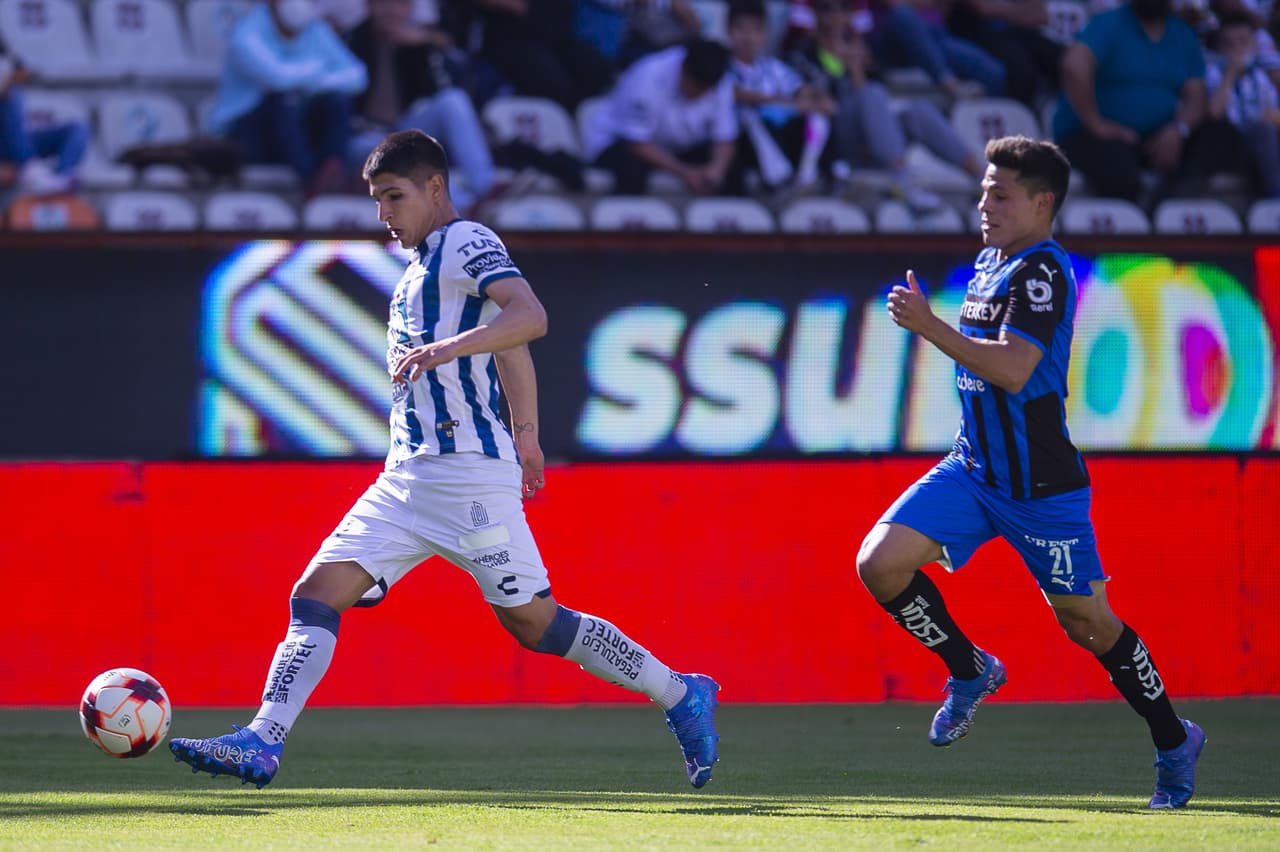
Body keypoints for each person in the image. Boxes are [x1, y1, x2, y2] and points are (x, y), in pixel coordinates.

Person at [169, 129, 721, 792]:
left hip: (465, 476)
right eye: (376, 200)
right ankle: (262, 741)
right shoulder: (417, 272)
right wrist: (528, 434)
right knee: (314, 595)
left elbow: (529, 317)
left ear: (435, 187)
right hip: (406, 476)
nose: (384, 214)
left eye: (394, 196)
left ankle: (680, 692)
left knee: (536, 624)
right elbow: (510, 346)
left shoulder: (466, 240)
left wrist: (454, 359)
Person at [857, 135, 1206, 810]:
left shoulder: (1041, 272)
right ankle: (970, 669)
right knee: (880, 564)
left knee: (1086, 624)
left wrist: (929, 326)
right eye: (985, 189)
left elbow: (1014, 370)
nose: (984, 202)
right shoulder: (993, 260)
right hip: (973, 467)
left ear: (1043, 203)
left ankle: (1172, 738)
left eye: (1001, 193)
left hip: (1041, 487)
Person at [790, 0, 983, 210]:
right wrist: (847, 71)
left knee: (918, 111)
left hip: (875, 141)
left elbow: (880, 103)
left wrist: (857, 70)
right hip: (835, 142)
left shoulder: (864, 51)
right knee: (870, 94)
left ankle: (982, 178)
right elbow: (811, 101)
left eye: (843, 8)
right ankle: (904, 181)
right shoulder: (804, 52)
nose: (835, 16)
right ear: (815, 13)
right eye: (827, 8)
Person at [1054, 0, 1243, 203]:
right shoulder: (1108, 24)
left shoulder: (1182, 34)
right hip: (1097, 137)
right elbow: (1073, 65)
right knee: (1119, 169)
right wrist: (1096, 124)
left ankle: (1168, 203)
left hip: (1157, 140)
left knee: (1221, 134)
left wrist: (1178, 130)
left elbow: (1196, 97)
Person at [346, 0, 496, 213]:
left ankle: (485, 189)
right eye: (383, 4)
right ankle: (461, 203)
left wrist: (421, 48)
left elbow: (438, 91)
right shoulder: (353, 41)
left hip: (406, 130)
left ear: (408, 8)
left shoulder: (418, 42)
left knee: (453, 100)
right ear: (370, 6)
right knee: (375, 151)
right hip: (365, 137)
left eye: (398, 4)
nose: (391, 10)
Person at [206, 0, 367, 195]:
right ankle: (312, 181)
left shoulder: (315, 30)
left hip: (297, 132)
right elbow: (276, 78)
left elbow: (357, 76)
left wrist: (312, 80)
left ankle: (333, 168)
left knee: (337, 101)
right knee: (282, 101)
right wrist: (317, 70)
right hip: (248, 134)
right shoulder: (246, 33)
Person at [583, 38, 739, 195]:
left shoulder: (720, 79)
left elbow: (725, 138)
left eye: (707, 89)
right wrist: (685, 172)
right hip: (617, 142)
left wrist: (716, 171)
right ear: (684, 70)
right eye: (698, 87)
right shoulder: (648, 75)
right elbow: (634, 142)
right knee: (633, 170)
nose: (701, 95)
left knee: (733, 167)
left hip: (675, 148)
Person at [727, 0, 835, 191]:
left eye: (755, 30)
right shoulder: (722, 64)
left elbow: (802, 88)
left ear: (764, 35)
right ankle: (777, 179)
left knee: (819, 116)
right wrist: (789, 103)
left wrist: (818, 99)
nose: (748, 37)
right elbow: (741, 95)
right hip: (741, 144)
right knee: (749, 115)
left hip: (781, 136)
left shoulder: (772, 67)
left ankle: (810, 174)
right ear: (728, 31)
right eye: (741, 29)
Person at [1205, 13, 1280, 198]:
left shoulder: (1261, 77)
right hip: (1228, 143)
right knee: (1263, 132)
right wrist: (1229, 75)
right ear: (1220, 49)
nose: (1237, 49)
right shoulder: (1213, 74)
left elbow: (1272, 114)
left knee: (1266, 131)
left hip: (1262, 140)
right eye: (1229, 44)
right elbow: (1214, 114)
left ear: (1254, 46)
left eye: (1243, 42)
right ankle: (1276, 197)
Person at [0, 54, 88, 196]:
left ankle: (59, 179)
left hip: (14, 144)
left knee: (78, 129)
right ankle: (32, 170)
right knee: (12, 97)